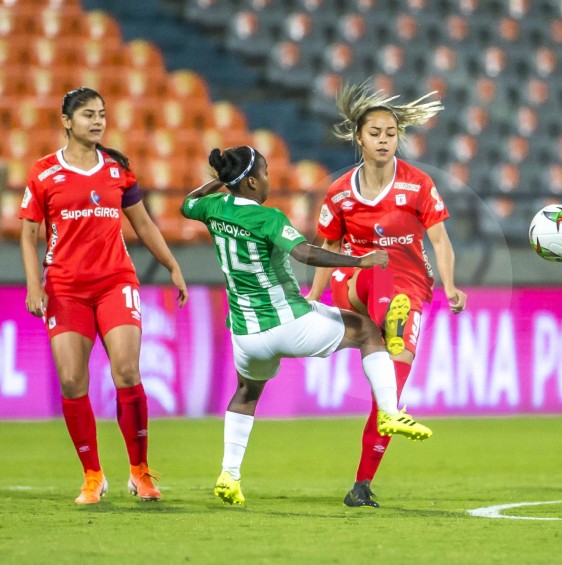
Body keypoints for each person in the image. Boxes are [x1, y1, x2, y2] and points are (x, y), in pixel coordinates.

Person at [180, 146, 433, 506]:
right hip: (287, 321)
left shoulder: (211, 208)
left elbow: (185, 204)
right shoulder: (268, 218)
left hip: (245, 333)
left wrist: (216, 184)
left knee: (247, 393)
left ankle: (229, 475)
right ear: (251, 181)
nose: (269, 180)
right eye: (264, 173)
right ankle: (390, 412)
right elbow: (305, 253)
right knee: (368, 331)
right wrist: (358, 261)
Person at [18, 87, 189, 504]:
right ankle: (93, 475)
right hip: (65, 288)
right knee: (73, 380)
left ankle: (140, 472)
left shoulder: (116, 171)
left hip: (116, 282)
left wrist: (171, 264)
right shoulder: (43, 173)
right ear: (66, 121)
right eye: (88, 114)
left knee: (127, 373)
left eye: (102, 115)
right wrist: (34, 284)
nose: (97, 121)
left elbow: (145, 225)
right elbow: (28, 233)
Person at [306, 83, 467, 507]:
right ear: (359, 137)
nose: (383, 140)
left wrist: (449, 284)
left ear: (399, 138)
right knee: (374, 268)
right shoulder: (340, 191)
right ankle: (388, 321)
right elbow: (329, 249)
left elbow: (441, 242)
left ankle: (361, 486)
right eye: (375, 132)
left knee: (389, 396)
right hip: (356, 283)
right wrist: (313, 298)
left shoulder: (418, 184)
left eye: (391, 133)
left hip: (411, 288)